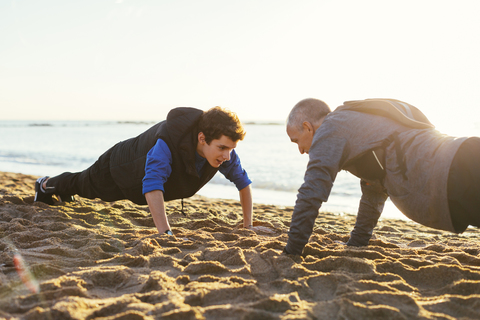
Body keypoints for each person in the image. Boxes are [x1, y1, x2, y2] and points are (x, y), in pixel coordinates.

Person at [284, 98, 480, 255]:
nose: (301, 150)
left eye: (296, 141)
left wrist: (292, 250)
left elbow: (312, 191)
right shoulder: (356, 124)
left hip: (454, 172)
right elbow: (373, 188)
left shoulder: (329, 129)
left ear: (308, 127)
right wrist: (357, 242)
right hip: (458, 163)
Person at [34, 106, 265, 236]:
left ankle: (63, 191)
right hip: (119, 167)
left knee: (83, 187)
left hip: (137, 183)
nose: (227, 156)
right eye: (222, 148)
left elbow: (243, 183)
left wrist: (248, 226)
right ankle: (44, 185)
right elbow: (153, 185)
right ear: (202, 138)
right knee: (85, 183)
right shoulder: (167, 144)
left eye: (231, 149)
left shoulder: (225, 154)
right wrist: (166, 234)